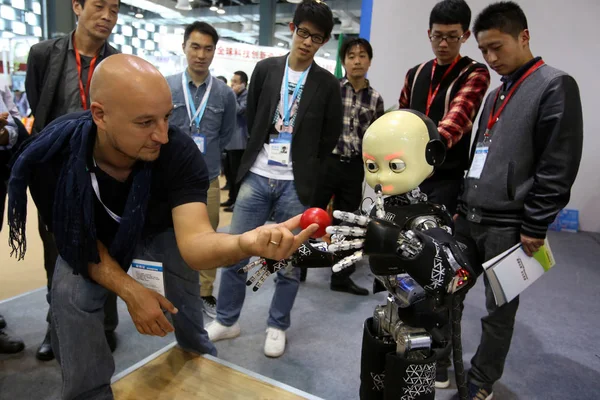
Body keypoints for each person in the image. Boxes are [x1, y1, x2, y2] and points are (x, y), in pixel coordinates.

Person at [8, 54, 318, 400]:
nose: (162, 135)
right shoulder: (53, 156)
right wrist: (130, 290)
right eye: (144, 123)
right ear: (100, 115)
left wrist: (245, 242)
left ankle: (200, 361)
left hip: (159, 235)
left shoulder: (178, 152)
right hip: (91, 243)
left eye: (166, 117)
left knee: (183, 297)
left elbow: (195, 241)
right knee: (69, 293)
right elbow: (77, 243)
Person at [454, 2, 583, 399]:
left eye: (498, 47)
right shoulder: (495, 96)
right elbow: (480, 154)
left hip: (510, 228)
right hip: (470, 217)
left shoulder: (555, 85)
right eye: (484, 51)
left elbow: (557, 163)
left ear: (523, 37)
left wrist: (536, 222)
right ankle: (445, 364)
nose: (491, 58)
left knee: (498, 312)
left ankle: (480, 381)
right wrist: (462, 202)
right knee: (447, 294)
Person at [206, 0, 342, 358]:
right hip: (257, 175)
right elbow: (253, 120)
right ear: (292, 29)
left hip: (296, 184)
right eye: (303, 32)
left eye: (317, 37)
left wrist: (307, 171)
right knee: (236, 250)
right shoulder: (266, 69)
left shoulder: (327, 84)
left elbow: (329, 137)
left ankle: (277, 325)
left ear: (324, 41)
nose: (308, 41)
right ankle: (227, 318)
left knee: (287, 261)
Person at [25, 0, 120, 361]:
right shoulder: (43, 55)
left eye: (115, 9)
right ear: (77, 6)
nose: (107, 16)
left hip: (105, 174)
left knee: (106, 251)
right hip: (56, 176)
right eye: (99, 6)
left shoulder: (118, 63)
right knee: (56, 255)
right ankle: (57, 327)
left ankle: (104, 326)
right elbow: (40, 107)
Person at [166, 21, 237, 319]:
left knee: (207, 238)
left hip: (206, 180)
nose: (201, 54)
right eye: (195, 46)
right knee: (166, 236)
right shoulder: (166, 86)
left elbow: (226, 134)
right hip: (167, 179)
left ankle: (205, 292)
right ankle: (170, 292)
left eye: (208, 49)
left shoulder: (224, 95)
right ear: (184, 47)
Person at [399, 0, 490, 217]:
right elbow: (400, 119)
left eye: (452, 36)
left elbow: (455, 123)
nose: (443, 44)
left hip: (445, 181)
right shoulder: (415, 73)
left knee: (435, 242)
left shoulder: (474, 73)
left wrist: (418, 153)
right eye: (438, 36)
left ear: (465, 36)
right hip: (408, 176)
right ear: (429, 33)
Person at [311, 37, 384, 296]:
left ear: (369, 61)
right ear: (344, 62)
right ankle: (296, 267)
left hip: (354, 167)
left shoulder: (375, 99)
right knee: (311, 216)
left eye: (362, 55)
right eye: (351, 56)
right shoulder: (332, 89)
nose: (357, 60)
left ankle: (341, 277)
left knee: (347, 224)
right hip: (327, 164)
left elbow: (377, 138)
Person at [221, 70, 249, 212]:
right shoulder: (235, 95)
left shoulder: (246, 96)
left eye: (235, 82)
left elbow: (237, 110)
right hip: (230, 141)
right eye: (232, 81)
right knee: (230, 174)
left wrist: (232, 94)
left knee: (238, 175)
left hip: (241, 143)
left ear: (243, 84)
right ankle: (231, 198)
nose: (232, 84)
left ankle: (237, 203)